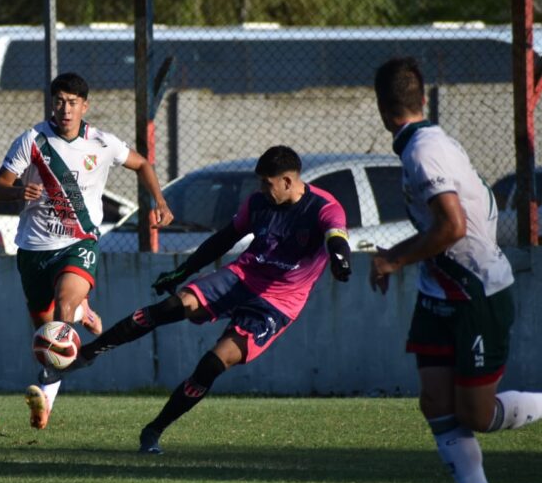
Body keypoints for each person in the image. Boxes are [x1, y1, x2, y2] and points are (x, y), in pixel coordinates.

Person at [60, 146, 352, 452]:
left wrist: (341, 261)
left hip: (278, 303)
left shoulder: (323, 207)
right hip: (242, 277)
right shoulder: (258, 203)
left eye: (267, 183)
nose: (261, 190)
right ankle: (88, 353)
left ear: (288, 182)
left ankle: (153, 431)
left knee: (212, 365)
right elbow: (224, 239)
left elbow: (336, 237)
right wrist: (183, 271)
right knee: (171, 306)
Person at [370, 57, 542, 483]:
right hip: (438, 292)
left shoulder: (425, 151)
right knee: (434, 401)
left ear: (382, 108)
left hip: (476, 295)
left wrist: (393, 260)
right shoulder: (427, 142)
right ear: (421, 99)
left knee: (475, 415)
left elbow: (452, 226)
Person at [0, 72, 174, 429]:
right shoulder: (32, 140)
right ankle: (82, 316)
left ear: (84, 106)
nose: (65, 108)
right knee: (46, 337)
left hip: (79, 243)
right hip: (33, 249)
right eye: (59, 101)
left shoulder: (102, 143)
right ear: (52, 104)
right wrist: (16, 192)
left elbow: (142, 163)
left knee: (62, 310)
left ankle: (46, 394)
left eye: (73, 102)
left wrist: (161, 202)